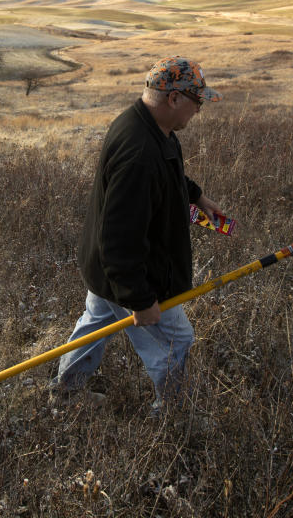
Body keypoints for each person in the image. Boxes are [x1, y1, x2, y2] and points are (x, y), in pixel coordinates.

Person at [54, 56, 225, 411]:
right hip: (133, 272)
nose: (199, 111)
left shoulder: (151, 128)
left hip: (105, 271)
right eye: (197, 102)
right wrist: (141, 299)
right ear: (174, 98)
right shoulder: (138, 153)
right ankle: (175, 416)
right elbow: (119, 242)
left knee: (96, 320)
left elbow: (168, 173)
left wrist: (196, 196)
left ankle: (67, 393)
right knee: (177, 339)